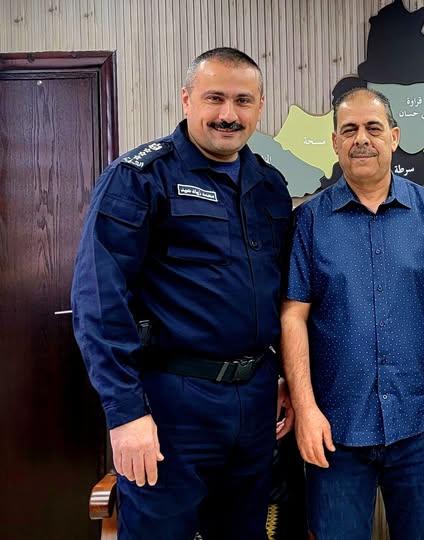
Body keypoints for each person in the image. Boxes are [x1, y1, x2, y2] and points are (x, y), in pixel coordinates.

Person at [71, 47, 294, 540]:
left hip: (255, 399)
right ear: (187, 99)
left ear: (260, 107)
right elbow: (100, 303)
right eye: (215, 98)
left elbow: (277, 293)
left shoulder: (270, 186)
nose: (228, 114)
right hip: (172, 401)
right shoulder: (139, 178)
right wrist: (126, 414)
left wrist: (281, 374)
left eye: (243, 100)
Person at [281, 87, 424, 539]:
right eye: (349, 130)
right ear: (335, 142)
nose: (361, 139)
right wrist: (306, 408)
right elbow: (293, 316)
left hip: (419, 422)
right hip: (335, 428)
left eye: (373, 128)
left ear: (394, 137)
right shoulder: (309, 221)